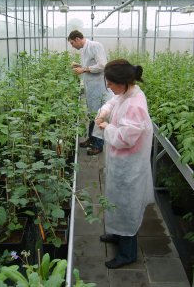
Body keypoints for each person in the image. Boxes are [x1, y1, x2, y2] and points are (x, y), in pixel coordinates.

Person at [94, 59, 154, 269]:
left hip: (130, 166)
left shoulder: (135, 104)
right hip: (120, 162)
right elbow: (112, 101)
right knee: (116, 200)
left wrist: (106, 127)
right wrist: (104, 111)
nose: (108, 86)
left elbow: (125, 139)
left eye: (110, 82)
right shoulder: (127, 93)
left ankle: (128, 252)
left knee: (126, 206)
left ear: (122, 82)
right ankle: (118, 235)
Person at [68, 30, 112, 156]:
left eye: (72, 43)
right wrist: (80, 66)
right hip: (91, 87)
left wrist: (84, 69)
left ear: (77, 39)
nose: (72, 46)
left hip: (99, 87)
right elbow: (89, 65)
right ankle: (91, 139)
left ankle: (98, 145)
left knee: (98, 115)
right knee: (92, 114)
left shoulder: (95, 46)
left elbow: (103, 65)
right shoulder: (84, 49)